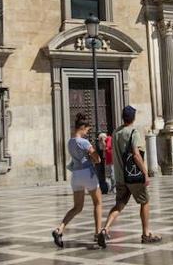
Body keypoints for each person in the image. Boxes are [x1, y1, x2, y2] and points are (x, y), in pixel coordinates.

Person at [99, 106, 159, 244]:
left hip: (120, 177)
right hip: (133, 177)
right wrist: (145, 173)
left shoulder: (115, 132)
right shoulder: (133, 132)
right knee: (144, 202)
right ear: (133, 117)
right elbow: (136, 155)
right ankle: (146, 234)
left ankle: (105, 229)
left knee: (119, 204)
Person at [53, 114, 105, 249]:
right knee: (98, 202)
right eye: (87, 129)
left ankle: (59, 229)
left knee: (77, 207)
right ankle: (98, 233)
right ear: (82, 128)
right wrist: (96, 154)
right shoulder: (84, 142)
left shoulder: (70, 142)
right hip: (87, 174)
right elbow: (97, 159)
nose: (87, 132)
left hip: (76, 176)